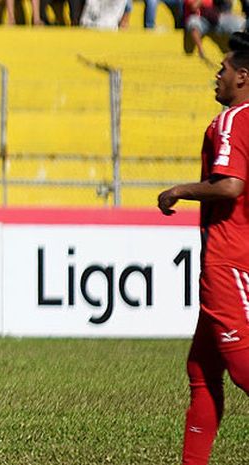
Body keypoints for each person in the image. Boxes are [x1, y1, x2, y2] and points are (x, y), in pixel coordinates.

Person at [158, 31, 249, 465]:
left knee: (243, 367)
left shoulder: (234, 119)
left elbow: (231, 185)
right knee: (202, 370)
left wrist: (178, 190)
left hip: (227, 257)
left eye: (223, 69)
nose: (217, 75)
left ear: (243, 78)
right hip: (232, 254)